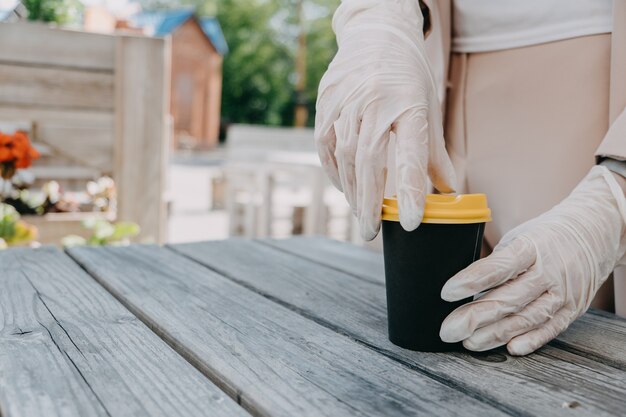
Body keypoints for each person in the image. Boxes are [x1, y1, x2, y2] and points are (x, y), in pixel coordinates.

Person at [315, 0, 626, 356]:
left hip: (593, 84)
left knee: (556, 323)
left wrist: (614, 198)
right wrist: (380, 16)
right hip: (426, 71)